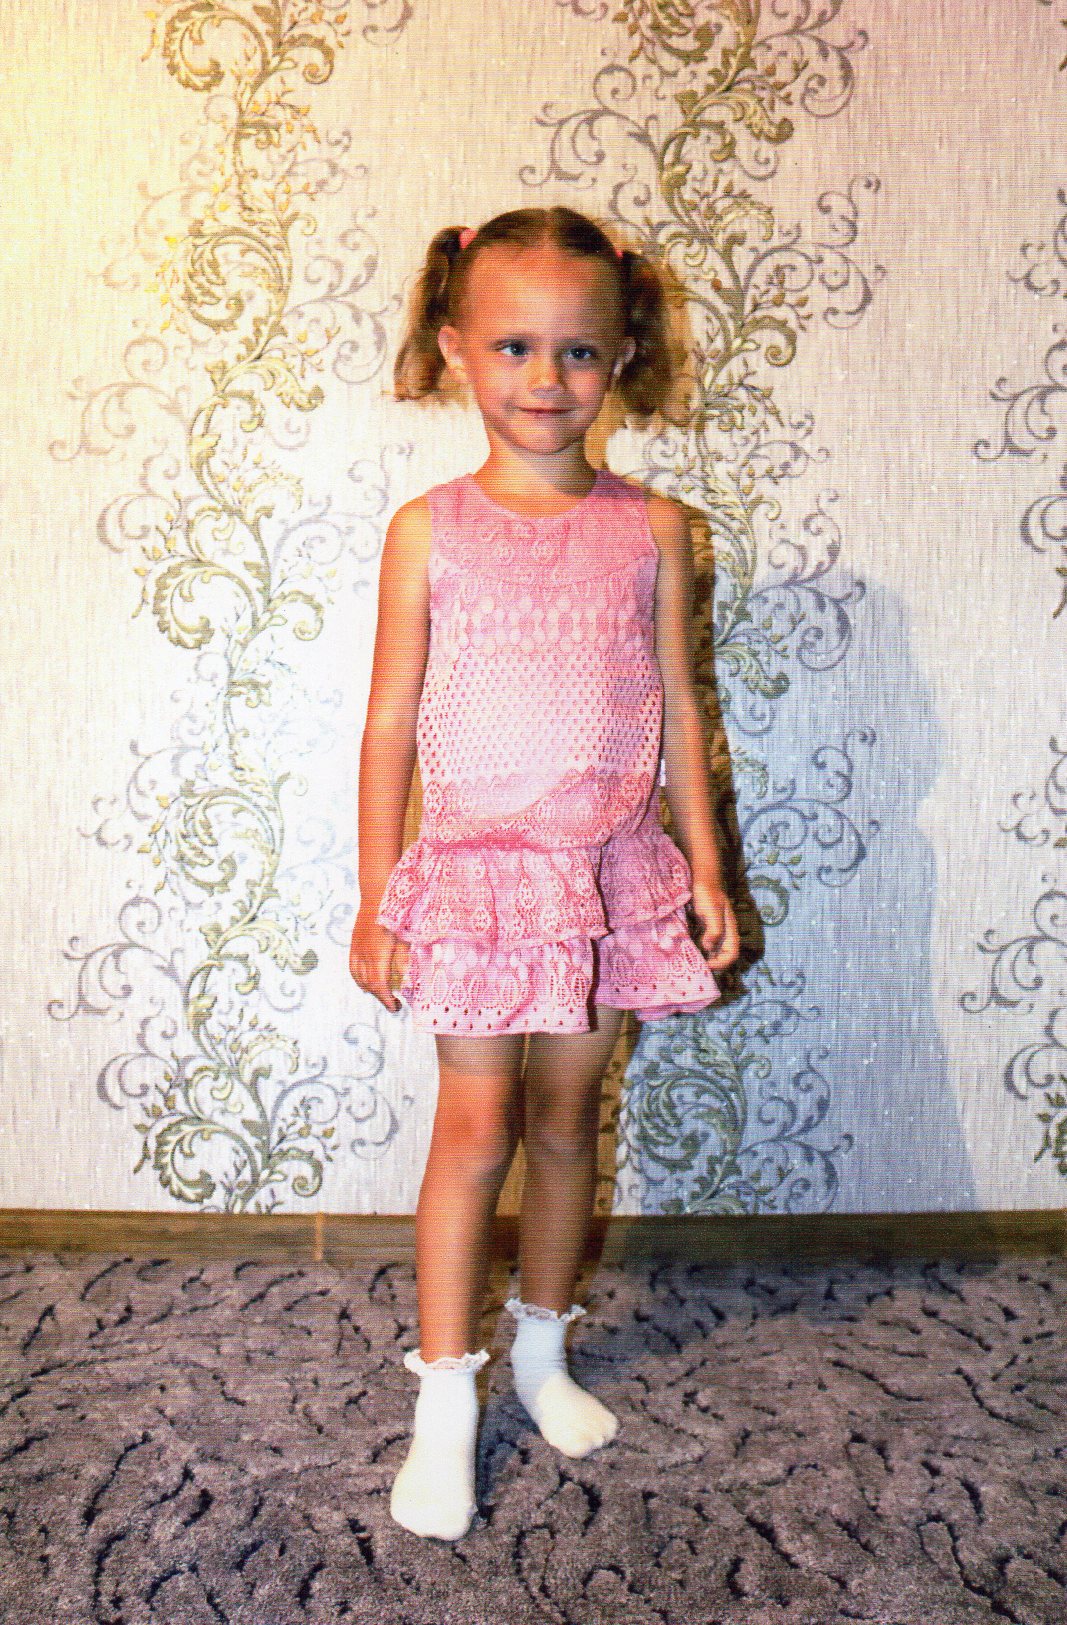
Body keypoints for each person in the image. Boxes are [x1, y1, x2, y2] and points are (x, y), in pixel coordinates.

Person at [349, 205, 740, 1541]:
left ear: (621, 355)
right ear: (455, 345)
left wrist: (704, 868)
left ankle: (541, 1350)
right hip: (476, 880)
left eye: (577, 350)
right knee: (475, 1131)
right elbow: (389, 722)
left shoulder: (653, 529)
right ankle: (443, 1399)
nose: (544, 378)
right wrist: (376, 893)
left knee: (571, 1122)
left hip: (611, 876)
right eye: (513, 345)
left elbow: (679, 710)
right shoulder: (429, 528)